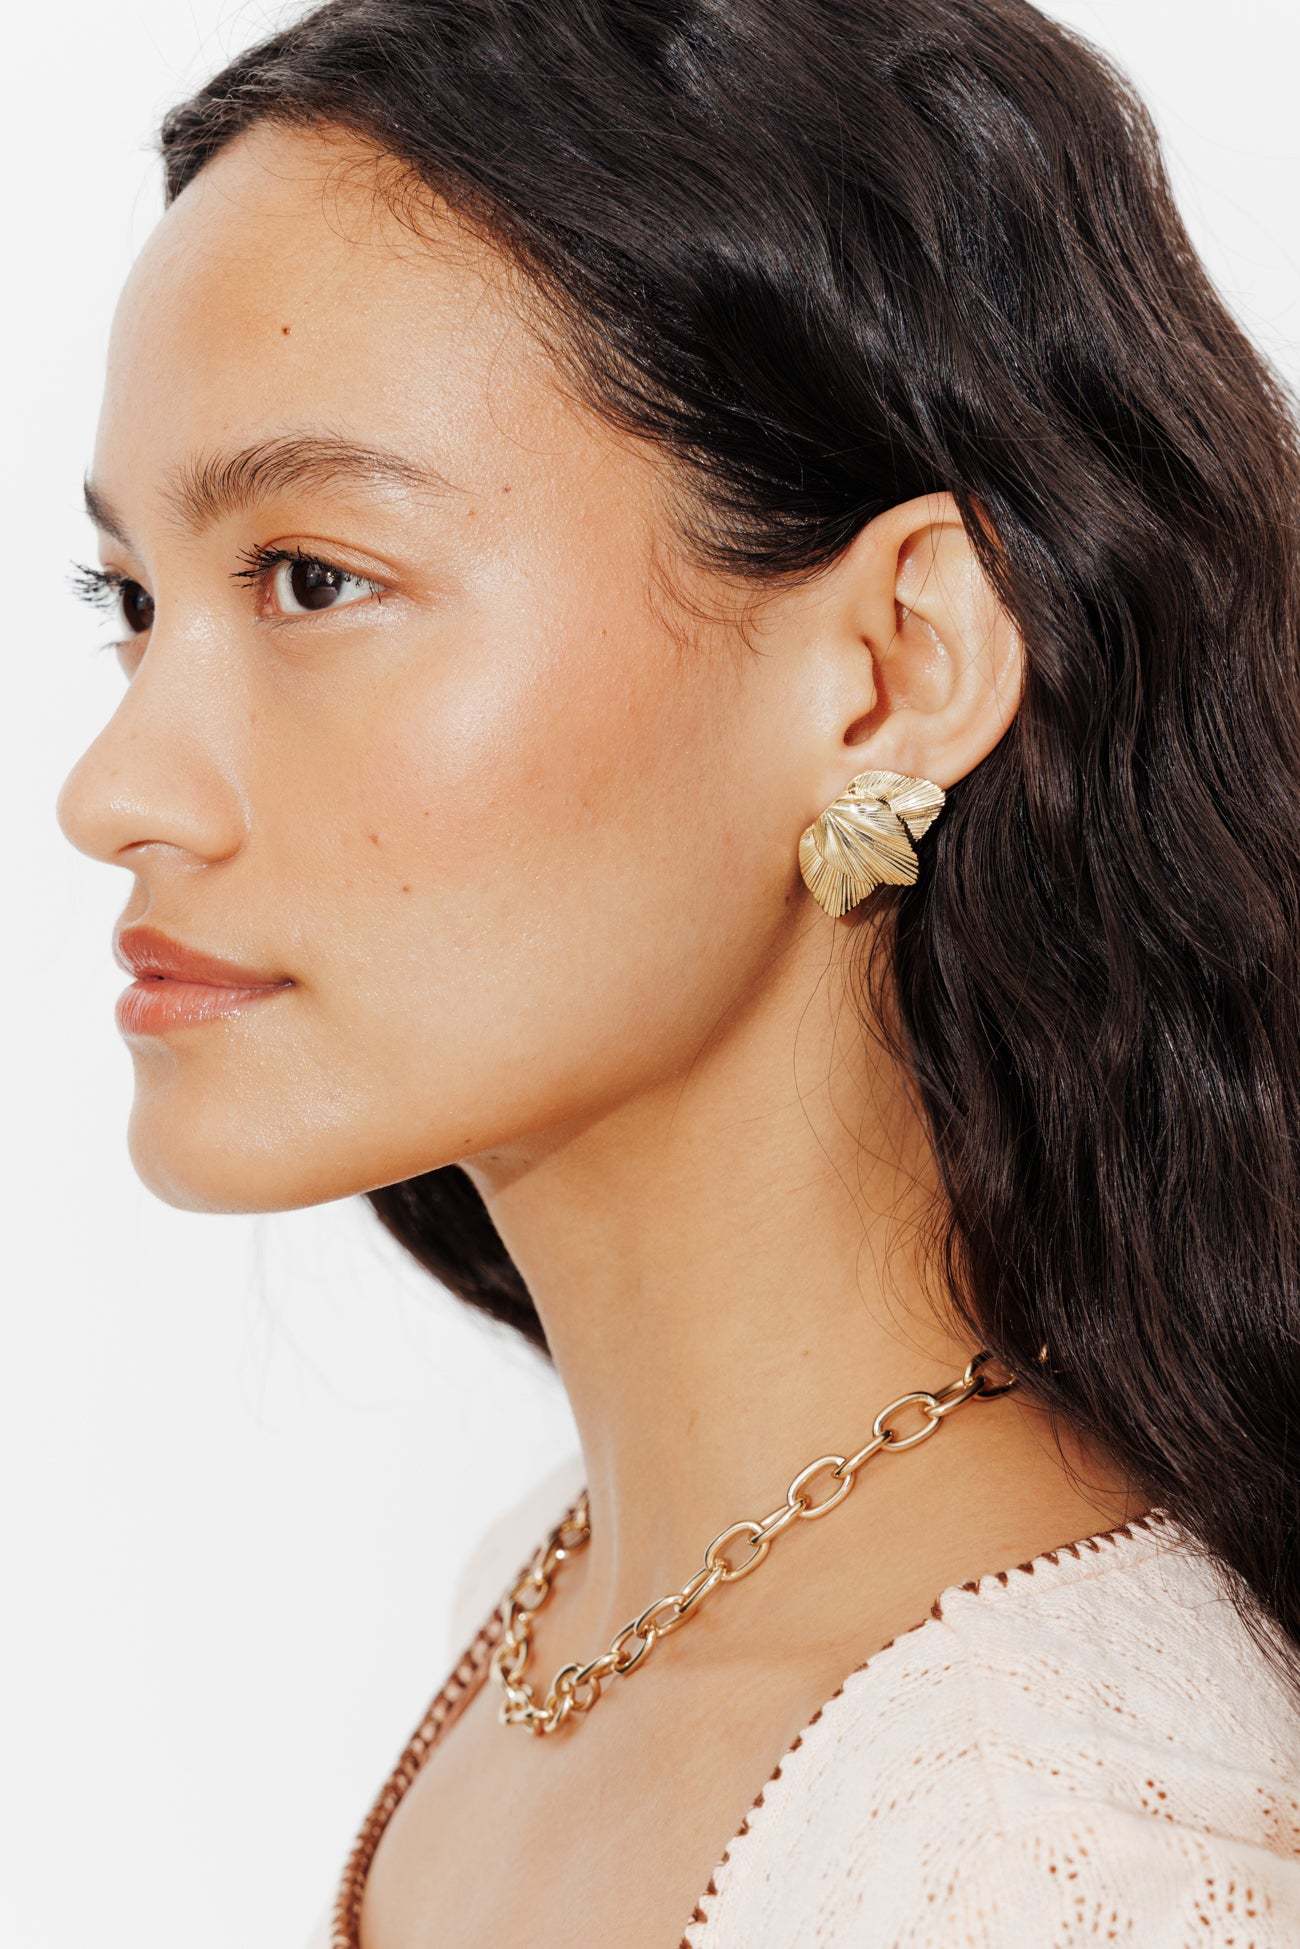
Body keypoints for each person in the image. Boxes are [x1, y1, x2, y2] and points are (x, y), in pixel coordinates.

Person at [56, 1, 1300, 1943]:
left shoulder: (1053, 1836)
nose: (113, 791)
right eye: (132, 601)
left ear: (891, 668)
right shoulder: (550, 1607)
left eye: (316, 578)